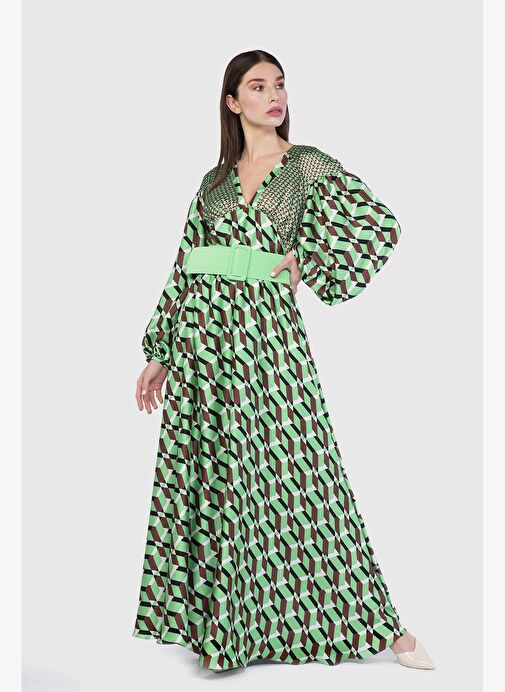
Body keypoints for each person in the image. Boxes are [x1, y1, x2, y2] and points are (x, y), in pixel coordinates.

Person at [132, 49, 435, 673]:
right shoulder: (212, 183)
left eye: (280, 85)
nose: (274, 96)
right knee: (219, 477)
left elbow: (379, 225)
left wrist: (311, 262)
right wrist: (160, 353)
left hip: (268, 340)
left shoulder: (305, 167)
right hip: (204, 342)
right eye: (257, 86)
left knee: (304, 472)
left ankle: (387, 627)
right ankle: (226, 632)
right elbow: (185, 264)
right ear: (232, 101)